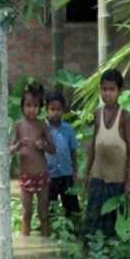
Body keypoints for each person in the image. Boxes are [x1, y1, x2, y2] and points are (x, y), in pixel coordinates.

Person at [83, 69, 130, 242]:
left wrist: (128, 181)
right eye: (104, 89)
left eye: (111, 89)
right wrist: (87, 172)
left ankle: (111, 253)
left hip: (117, 180)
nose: (107, 93)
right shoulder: (98, 114)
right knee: (94, 217)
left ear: (119, 91)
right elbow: (93, 145)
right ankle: (92, 251)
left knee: (113, 221)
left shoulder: (125, 117)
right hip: (98, 176)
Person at [11, 82, 57, 237]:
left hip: (42, 175)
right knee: (26, 213)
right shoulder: (18, 126)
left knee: (44, 213)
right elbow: (8, 150)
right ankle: (26, 241)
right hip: (25, 176)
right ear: (23, 106)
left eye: (36, 105)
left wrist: (43, 145)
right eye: (28, 105)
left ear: (40, 107)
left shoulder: (42, 125)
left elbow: (53, 148)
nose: (32, 109)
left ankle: (45, 240)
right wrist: (18, 146)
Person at [45, 91, 81, 219]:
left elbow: (73, 150)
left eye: (58, 109)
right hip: (50, 174)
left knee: (71, 206)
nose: (55, 112)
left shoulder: (68, 129)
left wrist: (75, 171)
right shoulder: (44, 129)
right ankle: (51, 230)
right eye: (52, 109)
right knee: (50, 207)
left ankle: (73, 229)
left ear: (63, 110)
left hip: (67, 173)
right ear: (47, 110)